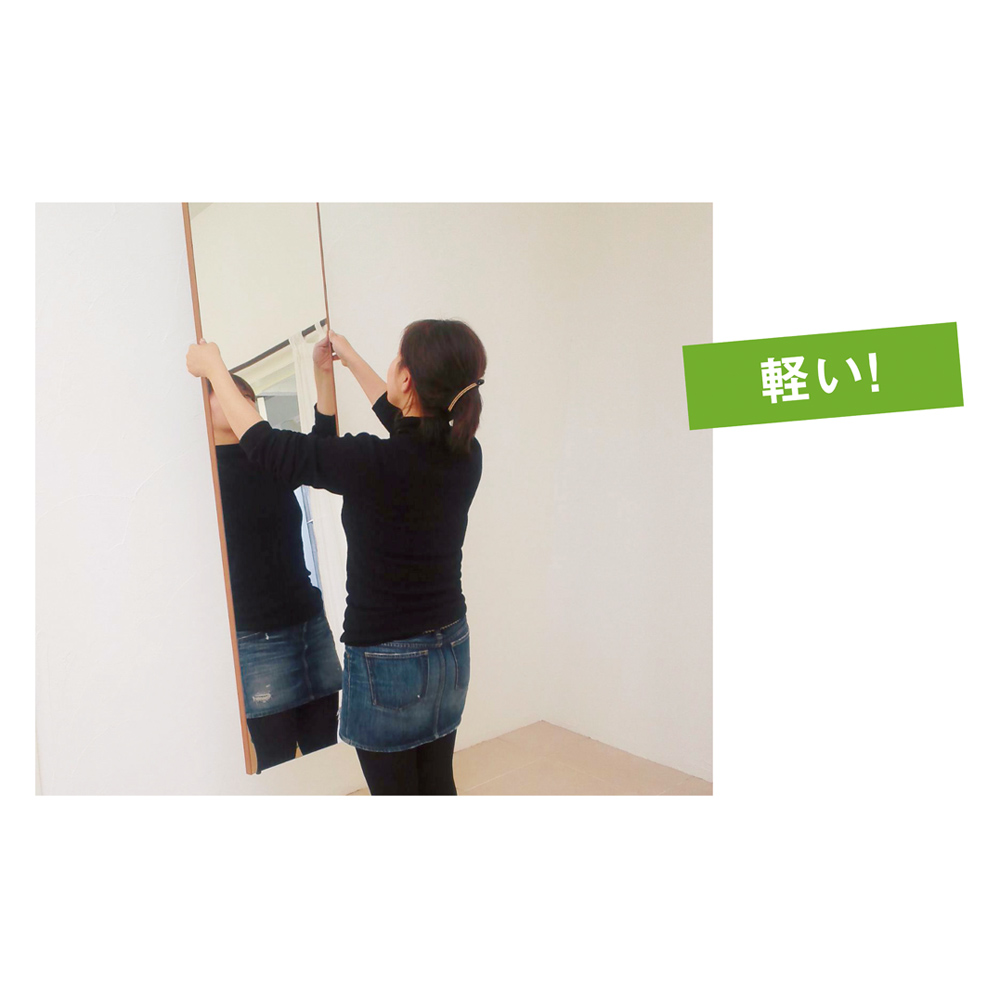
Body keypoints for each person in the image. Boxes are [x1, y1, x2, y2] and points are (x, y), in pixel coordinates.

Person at [187, 319, 486, 795]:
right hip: (451, 645)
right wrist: (346, 360)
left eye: (398, 359)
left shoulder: (374, 462)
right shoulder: (465, 453)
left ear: (406, 379)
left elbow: (269, 446)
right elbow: (407, 422)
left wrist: (214, 368)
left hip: (390, 658)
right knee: (436, 785)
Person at [208, 370, 343, 773]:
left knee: (326, 752)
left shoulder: (269, 455)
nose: (244, 400)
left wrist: (322, 375)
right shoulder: (202, 477)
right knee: (277, 762)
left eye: (248, 395)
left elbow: (324, 448)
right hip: (256, 638)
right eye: (230, 393)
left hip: (308, 624)